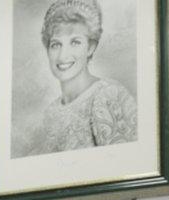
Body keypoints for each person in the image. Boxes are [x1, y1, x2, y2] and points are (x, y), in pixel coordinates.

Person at [38, 0, 136, 154]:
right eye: (56, 44)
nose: (63, 56)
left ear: (90, 47)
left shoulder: (108, 96)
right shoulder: (51, 112)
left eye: (75, 42)